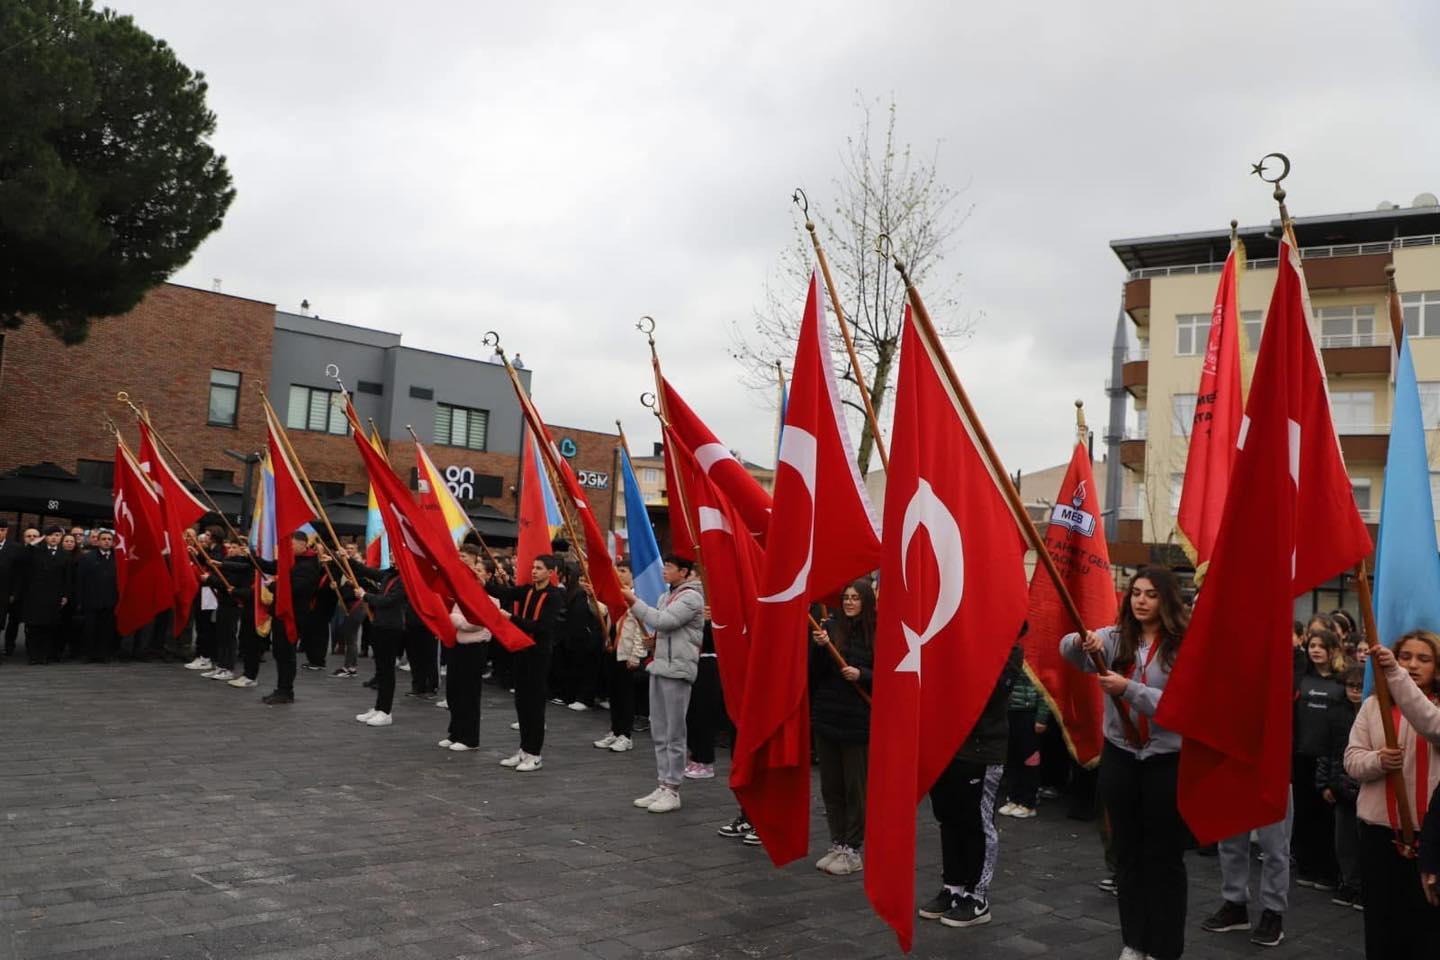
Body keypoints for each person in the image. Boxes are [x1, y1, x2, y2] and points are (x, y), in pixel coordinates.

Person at [1060, 566, 1189, 960]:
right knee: (1127, 853)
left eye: (1150, 594)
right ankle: (1135, 941)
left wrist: (1128, 689)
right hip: (1121, 757)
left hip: (1165, 760)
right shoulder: (1115, 637)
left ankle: (1165, 948)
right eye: (1136, 592)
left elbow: (1179, 708)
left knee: (1163, 858)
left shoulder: (1184, 646)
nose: (1141, 600)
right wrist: (1081, 642)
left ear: (1165, 600)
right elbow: (1067, 648)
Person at [1345, 632, 1440, 957]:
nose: (1413, 665)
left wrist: (1396, 676)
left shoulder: (1435, 712)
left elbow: (1431, 725)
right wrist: (1377, 761)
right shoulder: (1374, 706)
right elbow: (1352, 760)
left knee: (1426, 934)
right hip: (1380, 838)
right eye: (1405, 657)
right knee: (1383, 930)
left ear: (1438, 669)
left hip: (1429, 843)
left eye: (1423, 659)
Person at [917, 640, 1022, 929]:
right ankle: (953, 887)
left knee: (976, 822)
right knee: (948, 818)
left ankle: (977, 896)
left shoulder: (1008, 646)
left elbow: (993, 692)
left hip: (981, 750)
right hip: (945, 746)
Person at [623, 554, 705, 815]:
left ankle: (673, 787)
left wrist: (634, 601)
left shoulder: (692, 597)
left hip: (678, 671)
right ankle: (662, 782)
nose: (664, 571)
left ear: (683, 571)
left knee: (674, 732)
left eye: (669, 567)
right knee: (658, 730)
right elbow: (664, 630)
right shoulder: (664, 597)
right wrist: (654, 643)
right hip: (660, 667)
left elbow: (665, 621)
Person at [809, 580, 875, 877]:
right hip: (827, 717)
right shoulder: (831, 628)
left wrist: (863, 674)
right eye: (845, 597)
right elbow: (815, 674)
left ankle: (853, 847)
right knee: (831, 786)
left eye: (855, 598)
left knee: (855, 787)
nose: (849, 602)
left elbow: (889, 672)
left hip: (857, 721)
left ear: (866, 601)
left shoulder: (876, 632)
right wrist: (821, 648)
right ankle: (837, 842)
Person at [492, 554, 564, 772]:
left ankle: (535, 753)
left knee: (534, 704)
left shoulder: (553, 597)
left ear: (550, 572)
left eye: (539, 568)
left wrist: (511, 618)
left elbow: (542, 627)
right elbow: (503, 592)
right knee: (521, 702)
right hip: (522, 651)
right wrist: (483, 582)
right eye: (533, 567)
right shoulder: (527, 590)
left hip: (539, 654)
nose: (534, 571)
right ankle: (524, 748)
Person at [1293, 628, 1348, 892]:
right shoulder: (1302, 678)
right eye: (1312, 645)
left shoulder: (1342, 682)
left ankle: (1328, 871)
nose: (1315, 650)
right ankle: (1306, 865)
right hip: (1302, 755)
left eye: (1321, 646)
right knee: (1303, 815)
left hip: (1329, 759)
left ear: (1332, 650)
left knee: (1327, 819)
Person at [443, 545, 502, 751]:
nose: (474, 573)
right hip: (459, 646)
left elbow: (474, 623)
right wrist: (458, 619)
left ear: (488, 575)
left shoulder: (492, 599)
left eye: (479, 571)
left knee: (469, 693)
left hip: (475, 649)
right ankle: (455, 732)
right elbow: (455, 615)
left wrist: (456, 619)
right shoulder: (463, 594)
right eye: (474, 570)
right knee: (454, 690)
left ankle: (469, 738)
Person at [1319, 663, 1365, 910]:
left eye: (1360, 686)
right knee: (1343, 841)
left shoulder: (1372, 712)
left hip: (1365, 787)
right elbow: (1327, 751)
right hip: (1341, 785)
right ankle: (1349, 883)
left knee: (1363, 840)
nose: (1355, 691)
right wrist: (1325, 783)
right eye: (1351, 686)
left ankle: (1364, 887)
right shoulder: (1337, 714)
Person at [595, 562, 646, 753]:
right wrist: (593, 595)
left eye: (623, 571)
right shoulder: (614, 594)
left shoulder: (637, 597)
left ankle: (626, 735)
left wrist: (636, 656)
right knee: (614, 694)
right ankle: (615, 731)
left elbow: (641, 630)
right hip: (612, 649)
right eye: (618, 570)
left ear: (633, 575)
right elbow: (603, 612)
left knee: (625, 696)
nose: (618, 573)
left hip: (627, 652)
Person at [351, 559, 402, 728]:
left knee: (387, 671)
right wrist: (347, 558)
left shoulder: (405, 579)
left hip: (392, 627)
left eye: (395, 555)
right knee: (380, 670)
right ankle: (379, 707)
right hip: (380, 625)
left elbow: (388, 600)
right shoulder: (389, 574)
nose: (392, 558)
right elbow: (367, 571)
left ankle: (386, 711)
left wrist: (365, 596)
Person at [998, 669, 1052, 820]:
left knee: (1029, 759)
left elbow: (1045, 689)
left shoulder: (1035, 659)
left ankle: (1029, 802)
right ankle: (1013, 798)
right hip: (1010, 712)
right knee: (1012, 757)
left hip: (1029, 713)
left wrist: (1042, 717)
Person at [22, 527, 71, 664]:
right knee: (33, 627)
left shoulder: (64, 555)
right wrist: (32, 544)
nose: (54, 538)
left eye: (57, 535)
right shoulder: (36, 552)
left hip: (54, 596)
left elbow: (67, 578)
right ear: (45, 537)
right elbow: (23, 560)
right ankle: (33, 656)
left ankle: (44, 656)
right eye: (50, 535)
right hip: (35, 596)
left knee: (49, 627)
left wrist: (65, 595)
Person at [74, 530, 118, 663]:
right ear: (98, 541)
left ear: (112, 542)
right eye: (103, 539)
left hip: (110, 601)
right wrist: (80, 600)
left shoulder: (117, 559)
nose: (106, 541)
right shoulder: (88, 558)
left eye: (109, 539)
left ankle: (103, 654)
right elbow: (80, 580)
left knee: (106, 629)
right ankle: (88, 654)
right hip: (91, 600)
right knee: (90, 628)